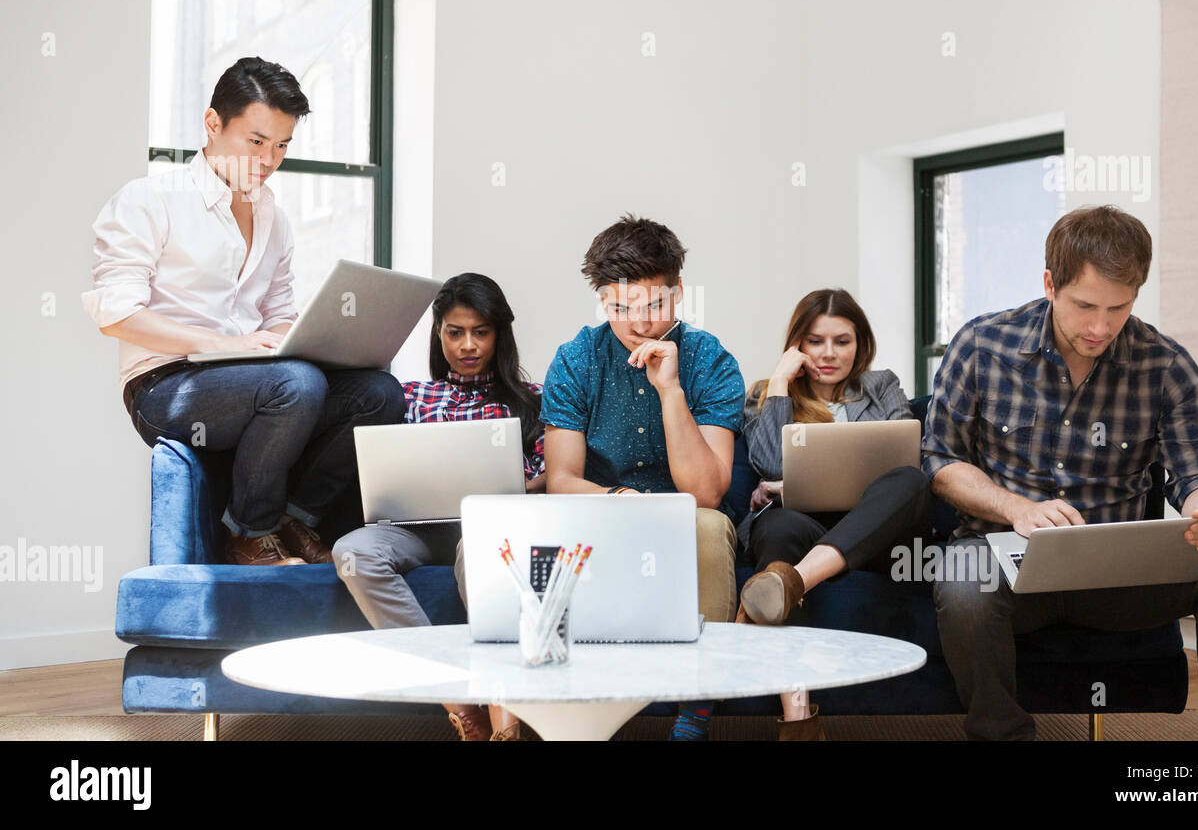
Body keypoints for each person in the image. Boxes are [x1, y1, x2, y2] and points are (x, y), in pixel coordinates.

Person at [924, 204, 1198, 740]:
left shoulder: (1166, 364)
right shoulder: (981, 346)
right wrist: (1017, 508)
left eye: (1119, 308)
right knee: (961, 579)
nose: (1099, 327)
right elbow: (941, 461)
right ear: (1050, 283)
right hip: (1007, 561)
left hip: (1121, 577)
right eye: (1084, 305)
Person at [82, 57, 406, 566]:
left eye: (281, 145)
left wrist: (307, 342)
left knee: (378, 393)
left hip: (257, 380)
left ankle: (294, 519)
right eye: (256, 142)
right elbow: (117, 315)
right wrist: (228, 345)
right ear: (213, 124)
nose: (269, 159)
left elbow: (279, 312)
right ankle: (246, 532)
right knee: (295, 384)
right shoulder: (148, 200)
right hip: (164, 384)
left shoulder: (274, 219)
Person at [541, 214, 744, 741]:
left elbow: (707, 493)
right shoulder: (576, 359)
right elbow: (561, 479)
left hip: (683, 519)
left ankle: (695, 711)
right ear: (601, 300)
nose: (639, 324)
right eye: (619, 308)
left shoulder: (711, 361)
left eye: (654, 305)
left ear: (678, 292)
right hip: (601, 509)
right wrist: (619, 498)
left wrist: (671, 392)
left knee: (706, 524)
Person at [333, 273, 545, 741]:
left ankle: (505, 722)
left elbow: (550, 470)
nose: (467, 345)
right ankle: (460, 704)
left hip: (488, 524)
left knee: (480, 549)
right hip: (417, 524)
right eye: (455, 332)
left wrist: (522, 482)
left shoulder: (532, 400)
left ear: (499, 335)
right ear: (438, 333)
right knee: (354, 552)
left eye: (481, 332)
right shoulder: (409, 397)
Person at [739, 288, 931, 739]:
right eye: (814, 341)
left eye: (842, 341)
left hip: (876, 532)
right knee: (778, 525)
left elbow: (901, 461)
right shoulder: (765, 393)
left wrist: (797, 483)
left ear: (860, 344)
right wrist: (782, 384)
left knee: (911, 481)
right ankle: (798, 717)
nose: (828, 354)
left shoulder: (881, 385)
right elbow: (769, 465)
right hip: (801, 523)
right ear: (797, 345)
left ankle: (791, 582)